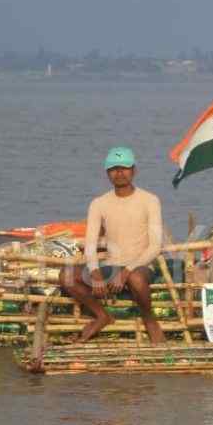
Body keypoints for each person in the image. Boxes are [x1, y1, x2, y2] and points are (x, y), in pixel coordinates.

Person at [59, 147, 165, 343]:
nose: (119, 173)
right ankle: (102, 315)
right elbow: (90, 244)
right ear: (108, 173)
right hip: (111, 264)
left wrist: (127, 271)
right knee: (66, 275)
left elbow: (155, 246)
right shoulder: (99, 203)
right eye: (114, 169)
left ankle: (149, 320)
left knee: (136, 278)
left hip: (140, 265)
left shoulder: (150, 200)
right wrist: (95, 273)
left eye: (124, 168)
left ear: (134, 171)